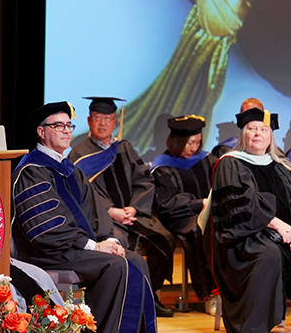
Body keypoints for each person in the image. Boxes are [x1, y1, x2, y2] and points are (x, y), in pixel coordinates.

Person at [11, 101, 156, 333]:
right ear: (41, 131)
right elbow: (46, 230)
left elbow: (95, 211)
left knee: (135, 261)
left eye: (69, 125)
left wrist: (110, 240)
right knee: (117, 267)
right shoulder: (32, 171)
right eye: (59, 126)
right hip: (48, 252)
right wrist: (94, 247)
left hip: (74, 248)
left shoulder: (69, 169)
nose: (67, 131)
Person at [211, 107, 291, 333]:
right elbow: (239, 210)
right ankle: (255, 326)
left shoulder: (284, 165)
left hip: (288, 232)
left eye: (263, 129)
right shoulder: (230, 163)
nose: (257, 133)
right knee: (269, 254)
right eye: (252, 129)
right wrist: (277, 225)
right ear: (243, 134)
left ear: (270, 136)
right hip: (247, 236)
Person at [69, 97, 175, 317]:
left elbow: (144, 180)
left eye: (107, 119)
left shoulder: (124, 148)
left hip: (130, 213)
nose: (102, 124)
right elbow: (83, 194)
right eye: (97, 118)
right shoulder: (79, 154)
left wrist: (134, 207)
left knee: (164, 238)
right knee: (122, 244)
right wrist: (110, 211)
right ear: (89, 121)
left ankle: (149, 294)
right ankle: (126, 300)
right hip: (103, 219)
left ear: (115, 121)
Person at [152, 115, 217, 314]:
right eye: (190, 143)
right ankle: (209, 294)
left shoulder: (205, 159)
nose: (194, 148)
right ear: (178, 141)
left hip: (206, 213)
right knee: (200, 229)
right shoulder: (163, 166)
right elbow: (167, 203)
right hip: (178, 218)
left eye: (198, 142)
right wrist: (200, 203)